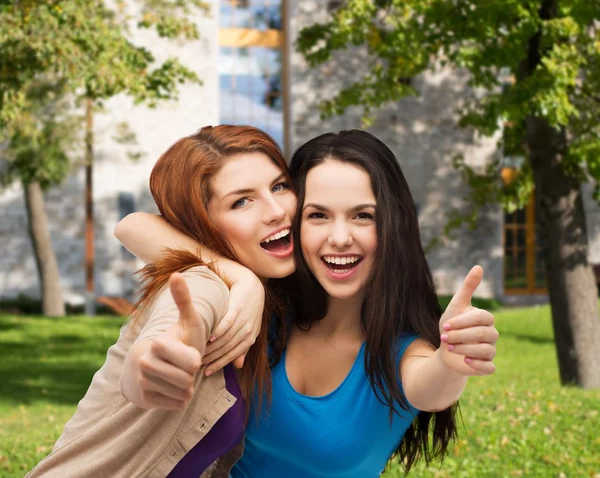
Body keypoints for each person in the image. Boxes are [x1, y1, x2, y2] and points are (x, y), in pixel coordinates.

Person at [118, 129, 499, 476]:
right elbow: (133, 226)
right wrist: (243, 279)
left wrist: (451, 363)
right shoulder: (262, 313)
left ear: (392, 226)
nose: (339, 238)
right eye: (317, 215)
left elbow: (431, 387)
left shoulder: (399, 354)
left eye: (362, 216)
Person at [26, 125, 296, 478]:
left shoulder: (271, 303)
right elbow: (162, 343)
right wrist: (152, 366)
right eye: (241, 201)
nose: (276, 210)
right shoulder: (203, 286)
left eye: (279, 186)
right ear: (201, 223)